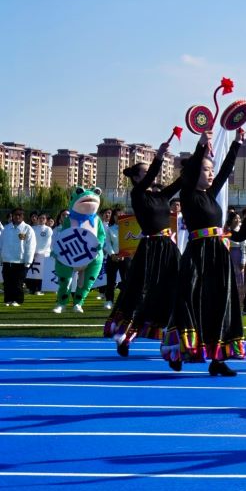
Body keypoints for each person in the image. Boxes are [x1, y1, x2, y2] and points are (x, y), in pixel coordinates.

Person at [162, 130, 246, 376]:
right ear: (194, 173)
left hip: (218, 255)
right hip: (197, 255)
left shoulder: (210, 195)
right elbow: (190, 172)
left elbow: (225, 170)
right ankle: (179, 350)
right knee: (188, 300)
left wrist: (237, 143)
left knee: (221, 303)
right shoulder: (188, 194)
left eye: (211, 170)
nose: (211, 174)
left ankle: (218, 360)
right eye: (206, 170)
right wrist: (200, 146)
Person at [106, 147, 182, 353]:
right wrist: (159, 157)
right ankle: (125, 335)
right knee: (141, 292)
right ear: (137, 178)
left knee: (174, 291)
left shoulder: (162, 196)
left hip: (168, 248)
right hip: (150, 248)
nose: (151, 175)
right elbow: (150, 177)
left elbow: (180, 182)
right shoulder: (137, 194)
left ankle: (170, 338)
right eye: (146, 172)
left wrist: (200, 154)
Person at [1, 208, 36, 306]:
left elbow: (31, 246)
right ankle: (8, 300)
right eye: (15, 215)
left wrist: (28, 261)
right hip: (7, 260)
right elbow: (1, 244)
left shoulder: (27, 229)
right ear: (12, 216)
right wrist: (1, 257)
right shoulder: (6, 229)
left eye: (19, 215)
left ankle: (17, 300)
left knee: (18, 282)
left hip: (20, 261)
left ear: (23, 216)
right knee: (7, 282)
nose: (17, 216)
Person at [28, 213, 52, 295]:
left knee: (41, 273)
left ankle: (39, 289)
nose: (41, 219)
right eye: (40, 218)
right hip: (33, 254)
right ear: (37, 219)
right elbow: (30, 241)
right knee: (32, 272)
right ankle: (31, 288)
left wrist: (39, 251)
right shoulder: (33, 228)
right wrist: (33, 251)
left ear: (46, 220)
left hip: (44, 254)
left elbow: (47, 242)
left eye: (43, 218)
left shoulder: (48, 229)